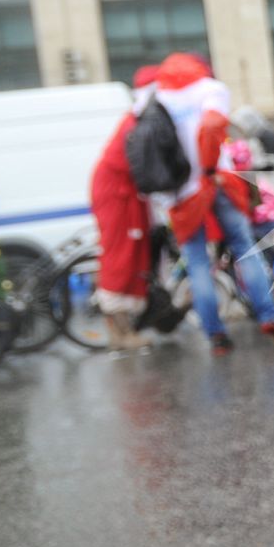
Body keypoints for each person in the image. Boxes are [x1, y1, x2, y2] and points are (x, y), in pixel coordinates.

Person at [152, 53, 274, 355]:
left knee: (197, 262)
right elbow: (214, 123)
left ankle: (216, 335)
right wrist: (206, 166)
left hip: (182, 193)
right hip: (216, 180)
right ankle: (268, 315)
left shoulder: (157, 98)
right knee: (245, 248)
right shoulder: (209, 89)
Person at [88, 66, 160, 351]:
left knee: (127, 256)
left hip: (124, 194)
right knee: (120, 258)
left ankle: (122, 330)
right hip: (118, 196)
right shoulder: (136, 124)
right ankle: (120, 333)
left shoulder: (137, 120)